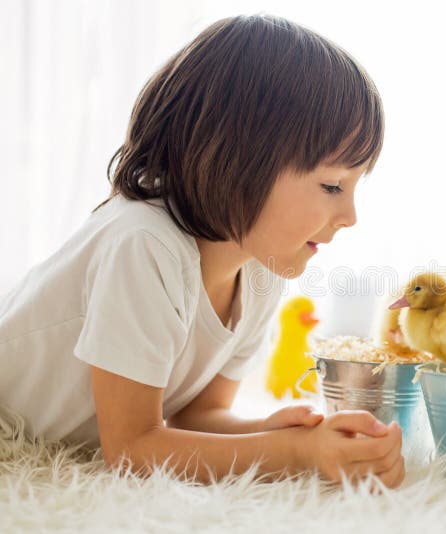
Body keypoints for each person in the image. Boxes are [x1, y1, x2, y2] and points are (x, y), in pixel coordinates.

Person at [0, 14, 404, 488]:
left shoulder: (261, 269)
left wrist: (277, 433)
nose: (350, 215)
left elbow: (199, 416)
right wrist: (293, 454)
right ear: (239, 163)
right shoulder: (144, 246)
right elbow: (132, 449)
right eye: (333, 185)